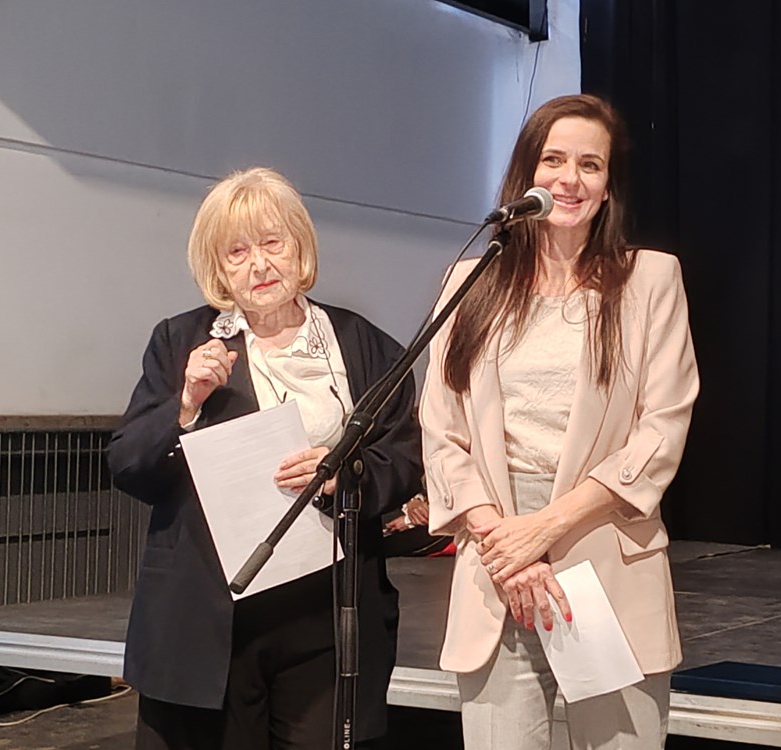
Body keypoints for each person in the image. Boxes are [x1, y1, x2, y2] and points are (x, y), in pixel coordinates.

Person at [107, 167, 422, 750]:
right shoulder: (181, 341)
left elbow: (405, 457)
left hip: (326, 610)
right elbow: (128, 464)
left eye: (272, 243)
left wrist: (343, 474)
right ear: (218, 266)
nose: (259, 264)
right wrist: (185, 404)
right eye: (238, 251)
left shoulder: (362, 344)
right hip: (211, 613)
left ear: (300, 247)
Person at [420, 94, 699, 749]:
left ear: (609, 189)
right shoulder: (471, 281)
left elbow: (660, 430)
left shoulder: (650, 279)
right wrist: (508, 547)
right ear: (526, 174)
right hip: (497, 564)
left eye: (589, 165)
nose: (569, 179)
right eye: (553, 160)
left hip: (602, 549)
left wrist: (543, 530)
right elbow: (441, 431)